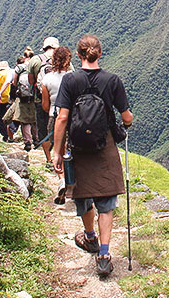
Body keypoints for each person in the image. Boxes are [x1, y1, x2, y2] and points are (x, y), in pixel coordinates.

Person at [53, 34, 133, 277]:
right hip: (104, 145)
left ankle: (90, 238)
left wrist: (57, 151)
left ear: (78, 55)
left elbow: (63, 117)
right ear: (100, 54)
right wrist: (123, 127)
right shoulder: (112, 81)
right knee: (106, 202)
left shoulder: (70, 80)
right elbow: (127, 117)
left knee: (83, 194)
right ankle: (105, 255)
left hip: (78, 146)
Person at [41, 46, 72, 202]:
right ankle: (73, 181)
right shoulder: (74, 77)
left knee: (59, 149)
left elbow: (45, 105)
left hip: (54, 116)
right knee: (72, 149)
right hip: (73, 117)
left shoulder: (46, 79)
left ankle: (62, 179)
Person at [29, 37, 59, 164]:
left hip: (40, 100)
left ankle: (49, 159)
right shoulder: (62, 58)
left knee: (43, 129)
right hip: (60, 101)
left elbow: (31, 81)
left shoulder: (35, 60)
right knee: (60, 128)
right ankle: (61, 157)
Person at [12, 49, 37, 151]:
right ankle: (37, 139)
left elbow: (14, 82)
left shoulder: (19, 67)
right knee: (35, 119)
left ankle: (27, 142)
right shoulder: (35, 65)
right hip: (34, 96)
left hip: (23, 97)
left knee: (24, 120)